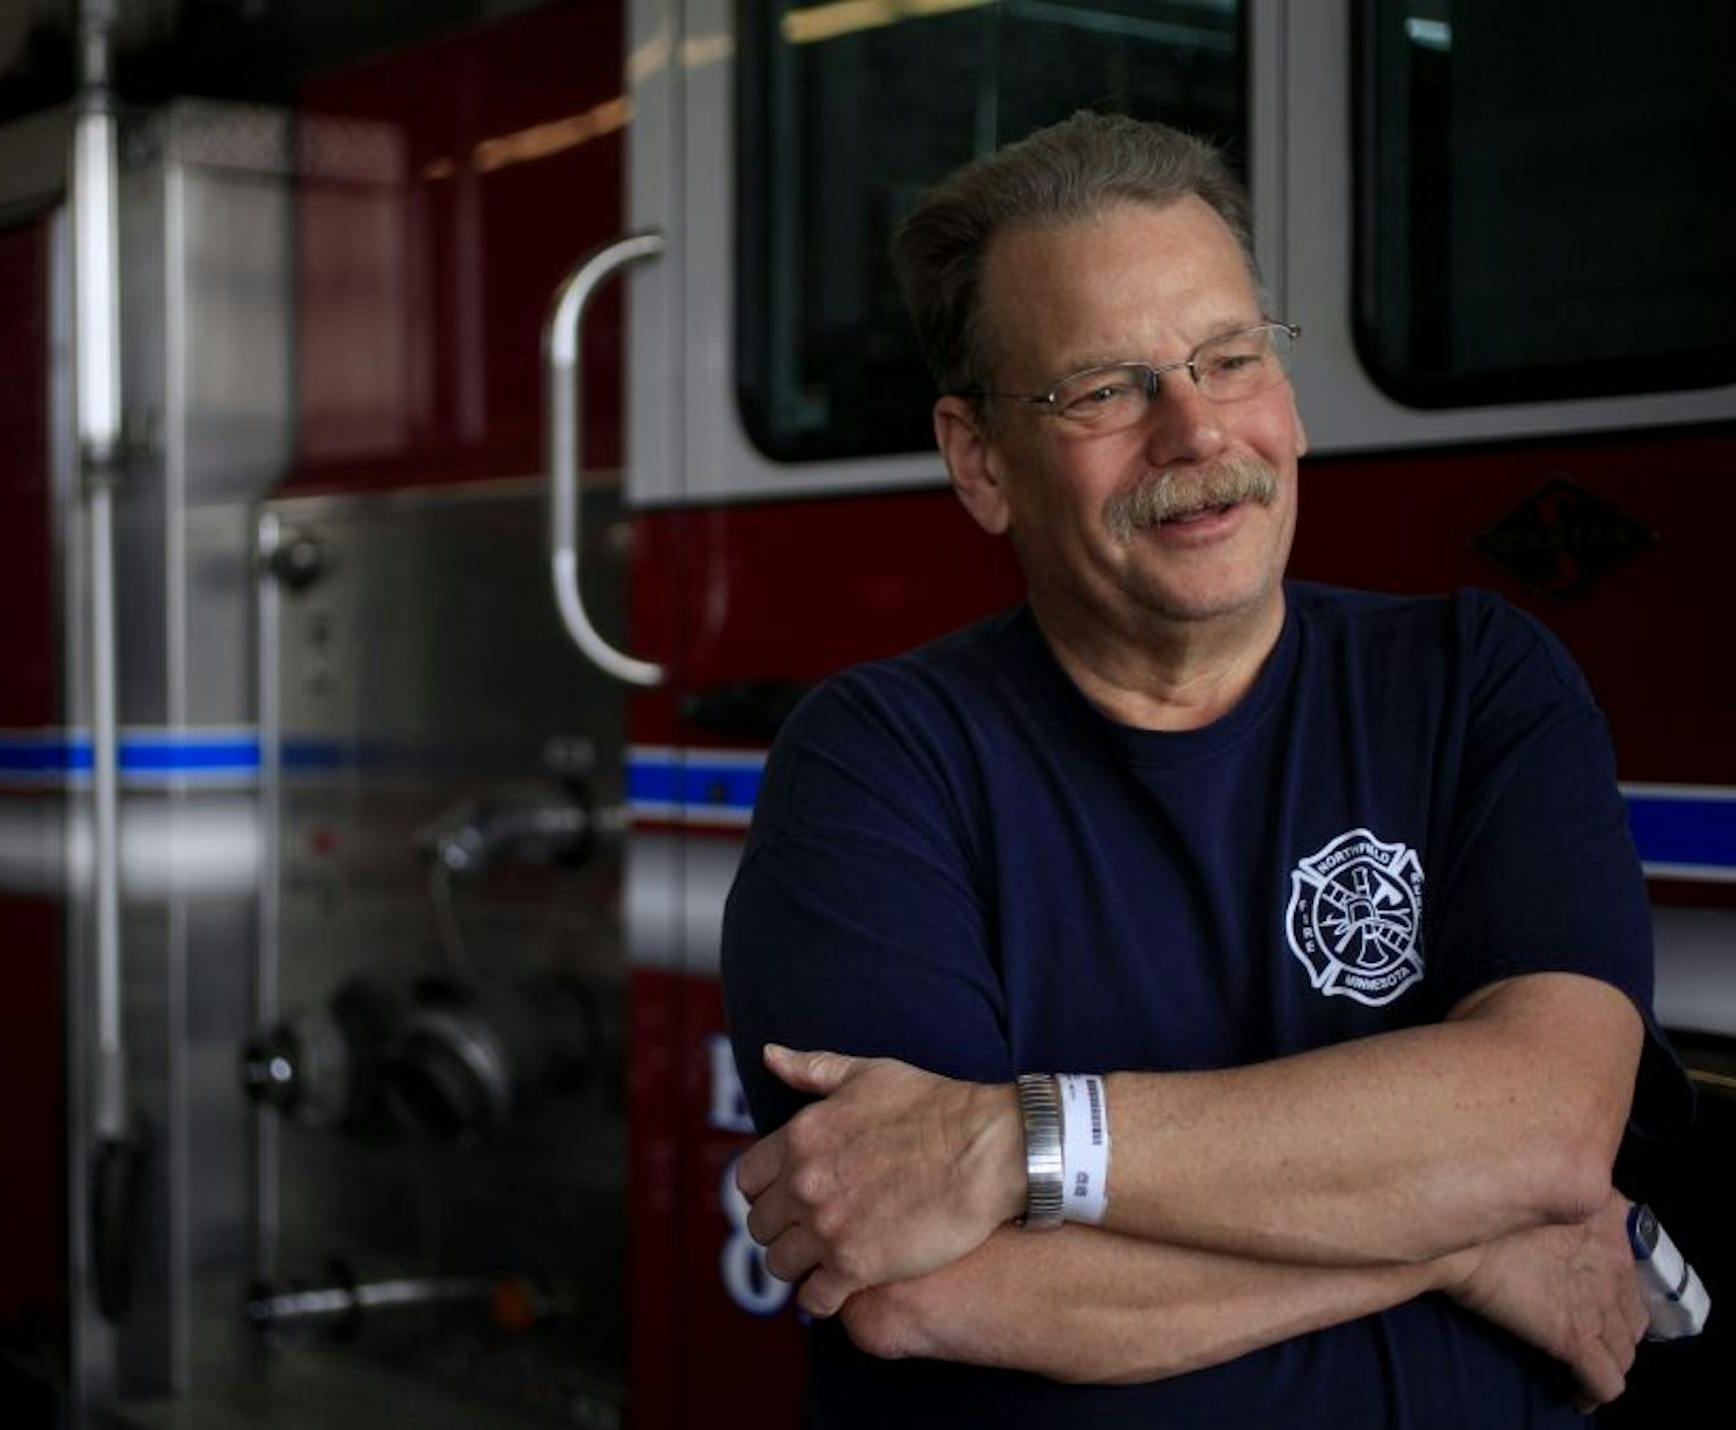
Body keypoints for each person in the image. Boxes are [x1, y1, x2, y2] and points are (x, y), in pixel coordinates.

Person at [718, 110, 1690, 1428]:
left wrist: (1020, 1141)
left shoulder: (1476, 683)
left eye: (1228, 357)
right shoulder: (878, 763)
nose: (1194, 433)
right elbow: (922, 1292)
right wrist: (1456, 1238)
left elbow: (1549, 1130)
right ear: (981, 459)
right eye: (1107, 388)